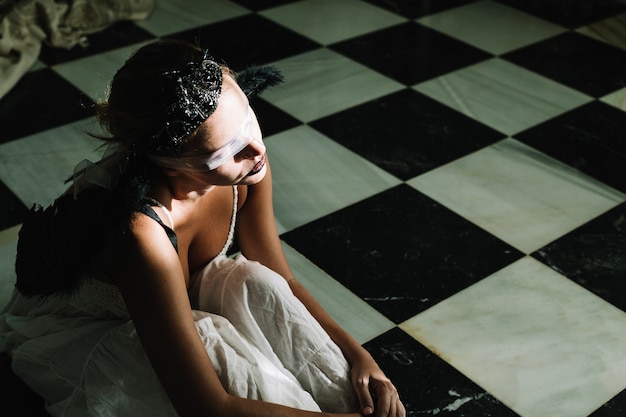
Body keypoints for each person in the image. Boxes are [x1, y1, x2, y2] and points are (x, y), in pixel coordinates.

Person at [0, 38, 405, 417]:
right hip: (92, 334)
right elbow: (207, 407)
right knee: (210, 340)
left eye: (249, 118)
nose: (256, 149)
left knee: (252, 279)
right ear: (170, 162)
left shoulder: (249, 163)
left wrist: (357, 356)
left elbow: (280, 277)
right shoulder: (141, 232)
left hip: (178, 301)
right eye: (227, 151)